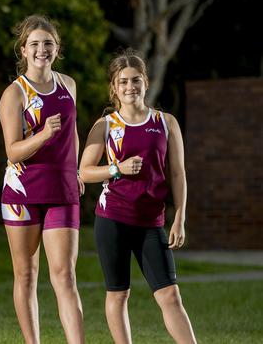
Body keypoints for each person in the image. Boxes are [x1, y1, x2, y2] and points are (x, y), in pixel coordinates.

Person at [79, 49, 197, 344]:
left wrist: (179, 216)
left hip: (151, 222)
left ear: (145, 82)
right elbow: (84, 172)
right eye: (123, 82)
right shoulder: (105, 125)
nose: (130, 87)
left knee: (170, 293)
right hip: (113, 220)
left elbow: (178, 173)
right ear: (114, 88)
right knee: (118, 294)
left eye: (135, 80)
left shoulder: (165, 122)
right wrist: (116, 168)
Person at [0, 15, 85, 344]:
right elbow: (13, 152)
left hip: (62, 191)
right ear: (24, 49)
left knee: (65, 275)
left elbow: (73, 134)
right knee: (26, 274)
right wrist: (43, 134)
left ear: (57, 48)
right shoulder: (14, 94)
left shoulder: (69, 85)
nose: (41, 49)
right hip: (22, 192)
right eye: (34, 44)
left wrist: (75, 170)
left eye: (48, 43)